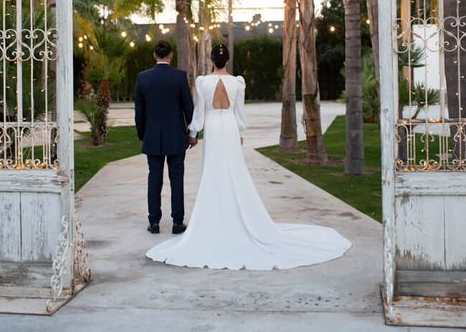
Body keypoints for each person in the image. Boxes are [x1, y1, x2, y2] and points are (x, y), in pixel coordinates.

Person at [146, 44, 351, 270]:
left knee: (213, 171)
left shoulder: (203, 82)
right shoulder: (237, 83)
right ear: (228, 60)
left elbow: (199, 112)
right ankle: (237, 216)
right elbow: (240, 113)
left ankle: (213, 219)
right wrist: (240, 132)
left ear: (212, 60)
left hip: (213, 128)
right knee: (234, 170)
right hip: (230, 128)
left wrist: (193, 132)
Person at [134, 40, 196, 235]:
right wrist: (192, 133)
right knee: (177, 179)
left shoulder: (143, 78)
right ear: (170, 55)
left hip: (152, 136)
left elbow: (139, 111)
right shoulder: (179, 77)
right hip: (177, 137)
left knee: (154, 179)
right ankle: (177, 222)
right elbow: (189, 108)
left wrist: (142, 133)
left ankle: (154, 222)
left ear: (155, 55)